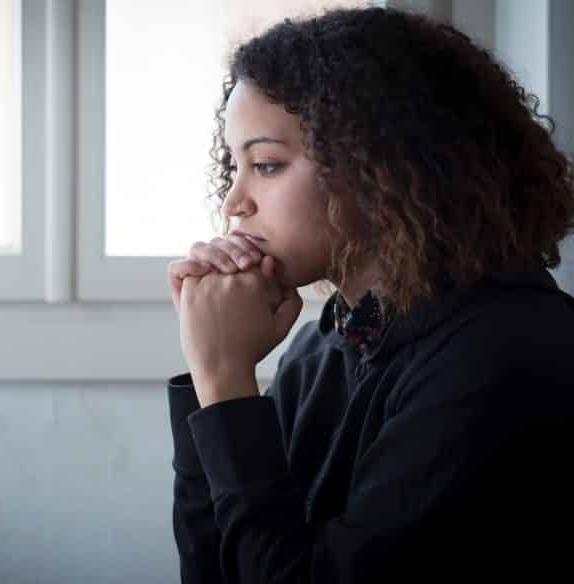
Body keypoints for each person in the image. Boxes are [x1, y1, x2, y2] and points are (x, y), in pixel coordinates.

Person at [165, 6, 574, 583]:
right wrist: (211, 385)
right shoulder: (322, 348)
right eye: (234, 166)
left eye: (266, 164)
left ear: (378, 164)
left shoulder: (503, 353)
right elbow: (216, 572)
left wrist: (228, 385)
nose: (234, 202)